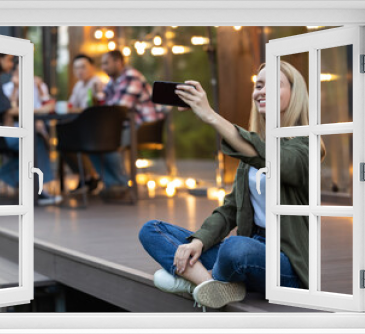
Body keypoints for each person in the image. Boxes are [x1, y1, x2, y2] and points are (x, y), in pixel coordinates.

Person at [139, 61, 325, 309]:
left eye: (274, 85)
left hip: (285, 265)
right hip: (249, 250)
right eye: (258, 85)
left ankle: (195, 281)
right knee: (152, 230)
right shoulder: (253, 148)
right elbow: (229, 210)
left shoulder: (306, 146)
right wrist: (199, 242)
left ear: (295, 93)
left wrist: (210, 115)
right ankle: (211, 286)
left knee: (234, 247)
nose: (261, 91)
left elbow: (272, 158)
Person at [0, 53, 61, 206]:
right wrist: (39, 111)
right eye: (10, 60)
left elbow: (7, 109)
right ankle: (37, 191)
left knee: (32, 141)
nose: (11, 64)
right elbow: (8, 110)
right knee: (34, 140)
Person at [93, 50, 165, 199]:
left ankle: (122, 185)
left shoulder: (131, 77)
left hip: (145, 125)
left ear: (118, 62)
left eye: (106, 63)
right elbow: (104, 102)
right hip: (126, 125)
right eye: (102, 64)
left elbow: (118, 108)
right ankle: (114, 185)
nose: (103, 67)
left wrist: (100, 101)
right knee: (93, 140)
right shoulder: (114, 81)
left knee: (106, 141)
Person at [61, 54, 103, 194]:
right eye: (76, 68)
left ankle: (90, 176)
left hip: (97, 128)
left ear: (92, 67)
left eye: (83, 67)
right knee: (63, 141)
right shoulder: (78, 85)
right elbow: (72, 105)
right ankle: (86, 177)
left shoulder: (98, 83)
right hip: (83, 127)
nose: (80, 71)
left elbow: (91, 108)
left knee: (67, 140)